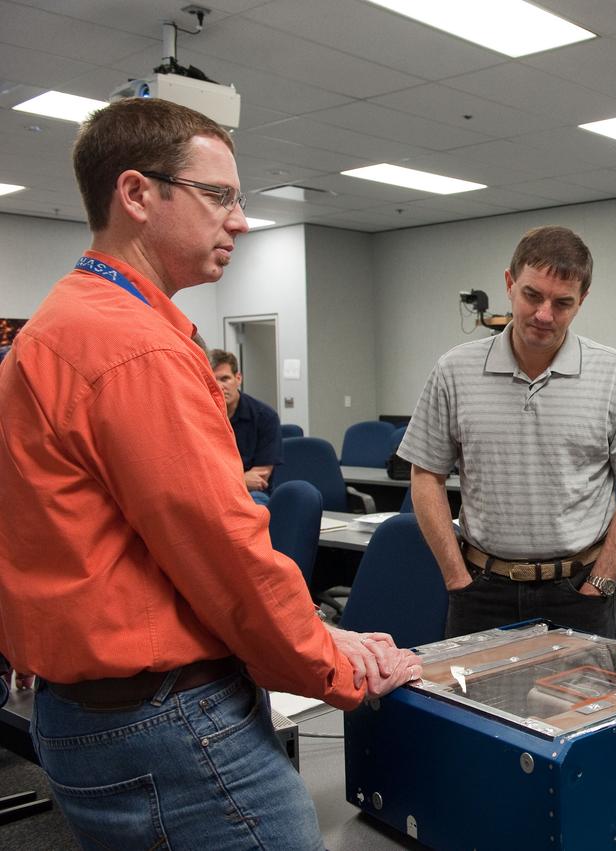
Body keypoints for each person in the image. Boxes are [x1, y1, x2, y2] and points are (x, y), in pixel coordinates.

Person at [0, 97, 422, 849]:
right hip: (166, 721)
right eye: (219, 195)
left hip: (82, 711)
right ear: (136, 194)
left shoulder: (55, 327)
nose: (240, 219)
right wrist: (334, 662)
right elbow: (224, 550)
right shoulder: (137, 346)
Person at [399, 225, 616, 639]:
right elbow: (425, 474)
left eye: (562, 303)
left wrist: (602, 582)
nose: (544, 314)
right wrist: (454, 576)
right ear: (509, 283)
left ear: (582, 301)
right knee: (475, 706)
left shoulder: (614, 373)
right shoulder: (454, 370)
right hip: (481, 591)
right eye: (532, 295)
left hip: (580, 592)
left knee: (587, 705)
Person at [210, 348, 282, 503]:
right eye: (213, 380)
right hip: (213, 493)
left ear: (238, 378)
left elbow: (259, 478)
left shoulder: (265, 416)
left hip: (252, 494)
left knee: (256, 502)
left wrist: (219, 482)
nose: (220, 386)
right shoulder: (199, 416)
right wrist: (242, 479)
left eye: (225, 379)